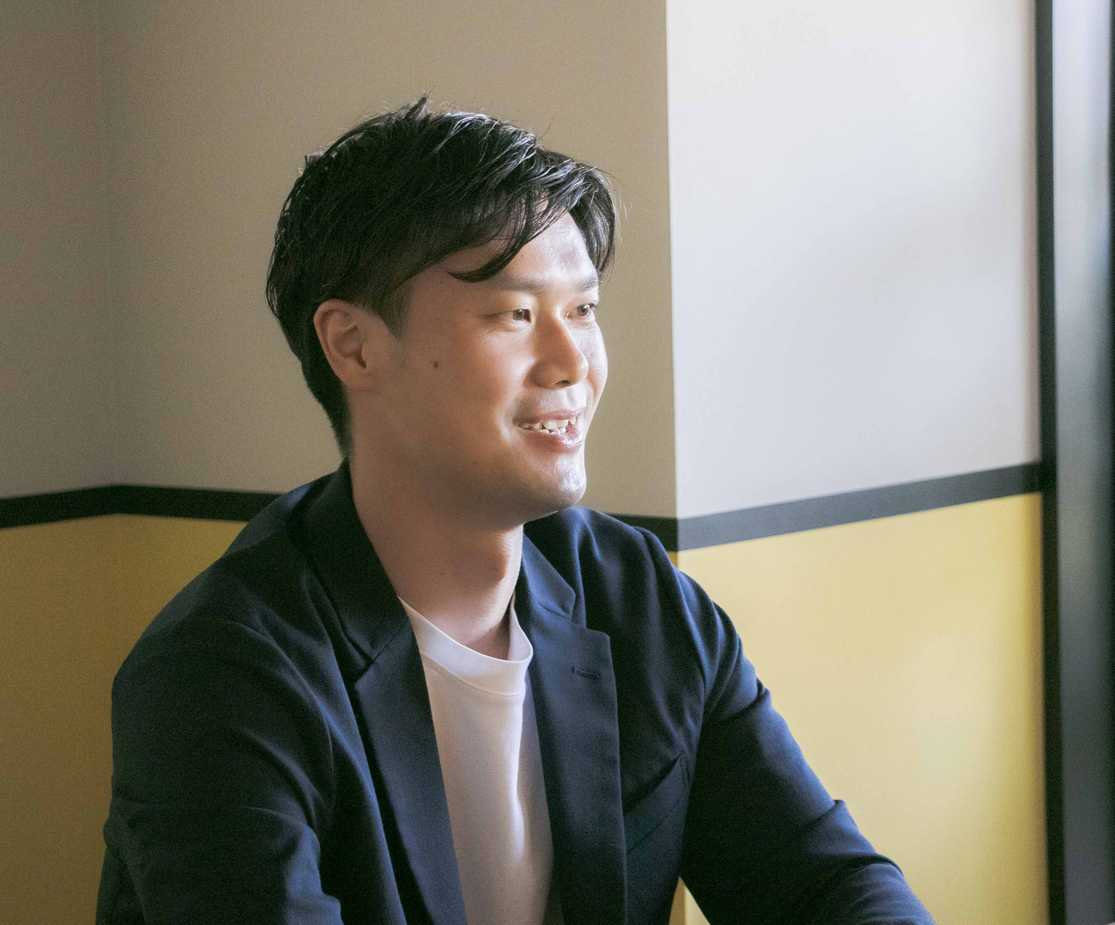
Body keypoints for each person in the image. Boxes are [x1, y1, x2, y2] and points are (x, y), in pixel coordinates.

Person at [96, 96, 934, 925]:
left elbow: (822, 884)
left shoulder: (636, 597)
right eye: (515, 315)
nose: (573, 362)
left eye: (583, 311)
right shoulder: (217, 673)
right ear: (353, 345)